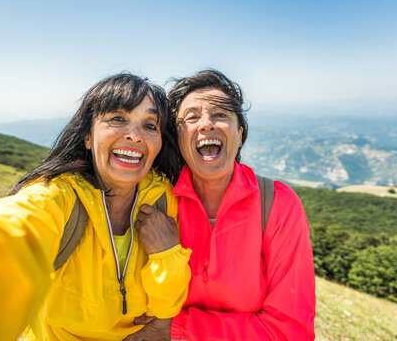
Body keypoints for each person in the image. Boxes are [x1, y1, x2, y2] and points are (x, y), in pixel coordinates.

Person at [0, 73, 192, 341]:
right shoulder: (56, 198)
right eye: (118, 119)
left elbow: (164, 308)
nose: (135, 135)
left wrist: (167, 262)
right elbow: (2, 235)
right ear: (87, 136)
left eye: (150, 125)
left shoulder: (162, 197)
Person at [127, 69, 316, 340]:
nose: (206, 124)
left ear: (240, 134)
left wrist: (175, 327)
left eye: (220, 115)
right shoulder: (157, 202)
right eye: (191, 117)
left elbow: (290, 330)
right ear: (178, 139)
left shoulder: (278, 204)